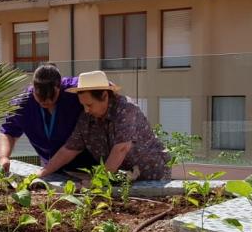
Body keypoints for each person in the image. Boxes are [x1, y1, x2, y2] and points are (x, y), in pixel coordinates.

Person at [38, 70, 171, 180]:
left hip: (153, 176)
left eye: (89, 105)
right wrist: (43, 173)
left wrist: (96, 183)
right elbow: (69, 149)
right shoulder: (86, 118)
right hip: (124, 179)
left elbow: (121, 149)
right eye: (83, 105)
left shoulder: (126, 109)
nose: (86, 110)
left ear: (104, 96)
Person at [0, 64, 95, 174]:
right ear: (33, 88)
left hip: (89, 165)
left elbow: (104, 87)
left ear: (59, 86)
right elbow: (8, 132)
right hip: (52, 167)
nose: (46, 101)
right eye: (40, 97)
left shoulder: (74, 89)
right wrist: (3, 157)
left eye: (51, 96)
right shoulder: (22, 104)